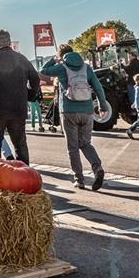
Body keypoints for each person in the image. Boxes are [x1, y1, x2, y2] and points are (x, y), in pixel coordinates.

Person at [41, 50, 109, 190]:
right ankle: (97, 168)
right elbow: (98, 87)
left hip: (68, 112)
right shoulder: (87, 68)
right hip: (87, 111)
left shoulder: (61, 68)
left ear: (62, 56)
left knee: (72, 147)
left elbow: (43, 70)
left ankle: (79, 180)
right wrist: (102, 106)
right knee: (85, 144)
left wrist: (54, 59)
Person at [0, 29, 41, 163]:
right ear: (9, 42)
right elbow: (36, 79)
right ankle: (25, 176)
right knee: (20, 144)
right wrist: (29, 96)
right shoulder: (21, 58)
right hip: (18, 108)